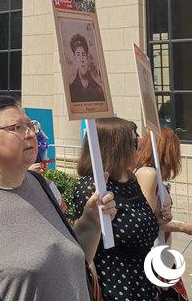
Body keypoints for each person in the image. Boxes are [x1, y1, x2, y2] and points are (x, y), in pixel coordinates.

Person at [0, 96, 117, 301]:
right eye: (17, 127)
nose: (30, 134)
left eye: (30, 125)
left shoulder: (38, 183)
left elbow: (68, 265)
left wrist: (92, 219)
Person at [72, 117, 164, 300]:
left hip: (145, 281)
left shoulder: (130, 179)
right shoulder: (92, 187)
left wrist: (159, 218)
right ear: (115, 147)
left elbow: (140, 223)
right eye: (132, 142)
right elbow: (87, 241)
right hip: (115, 286)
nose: (138, 146)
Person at [135, 129, 192, 247]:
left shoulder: (155, 175)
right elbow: (145, 220)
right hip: (151, 250)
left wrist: (166, 217)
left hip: (161, 247)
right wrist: (182, 227)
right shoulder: (148, 174)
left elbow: (156, 218)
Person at [68, 34, 105, 102]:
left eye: (83, 54)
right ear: (74, 57)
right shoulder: (70, 90)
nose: (82, 59)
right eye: (78, 54)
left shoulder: (98, 89)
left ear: (87, 57)